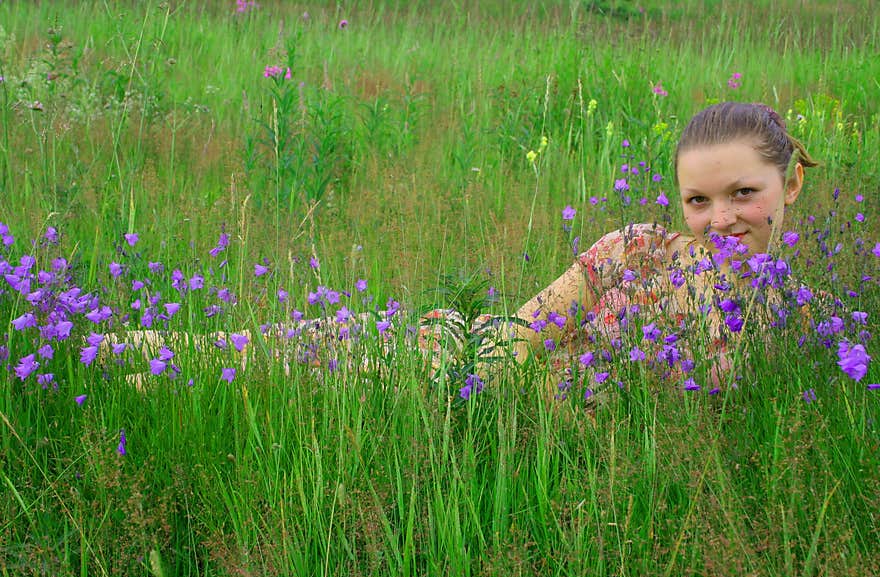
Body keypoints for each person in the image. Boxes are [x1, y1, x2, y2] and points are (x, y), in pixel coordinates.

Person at [108, 101, 823, 397]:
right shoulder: (634, 247)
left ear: (789, 182)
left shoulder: (810, 327)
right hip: (468, 369)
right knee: (314, 340)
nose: (719, 219)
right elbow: (519, 331)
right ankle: (128, 348)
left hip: (486, 394)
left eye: (743, 194)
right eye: (699, 201)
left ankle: (150, 374)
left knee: (304, 372)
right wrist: (457, 386)